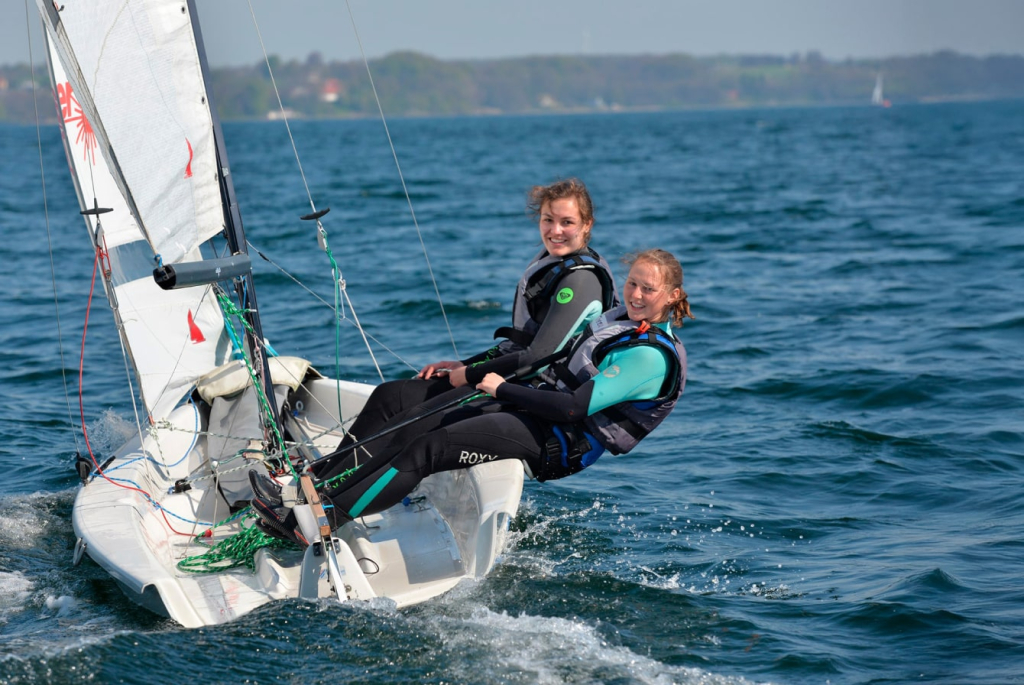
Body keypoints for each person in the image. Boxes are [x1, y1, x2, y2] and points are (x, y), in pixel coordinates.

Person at [253, 249, 694, 543]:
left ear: (672, 297)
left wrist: (502, 388)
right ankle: (315, 493)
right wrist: (480, 370)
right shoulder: (621, 319)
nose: (635, 295)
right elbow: (547, 353)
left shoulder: (650, 359)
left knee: (428, 447)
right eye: (632, 284)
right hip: (535, 407)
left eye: (648, 290)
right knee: (420, 419)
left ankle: (322, 523)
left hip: (558, 441)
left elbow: (574, 407)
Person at [310, 178, 619, 478]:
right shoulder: (553, 261)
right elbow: (522, 345)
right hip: (511, 376)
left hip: (529, 394)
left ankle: (332, 492)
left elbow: (537, 356)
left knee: (414, 421)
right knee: (391, 396)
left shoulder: (581, 279)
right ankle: (322, 474)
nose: (555, 231)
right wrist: (465, 365)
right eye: (548, 220)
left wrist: (469, 375)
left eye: (567, 222)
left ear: (587, 224)